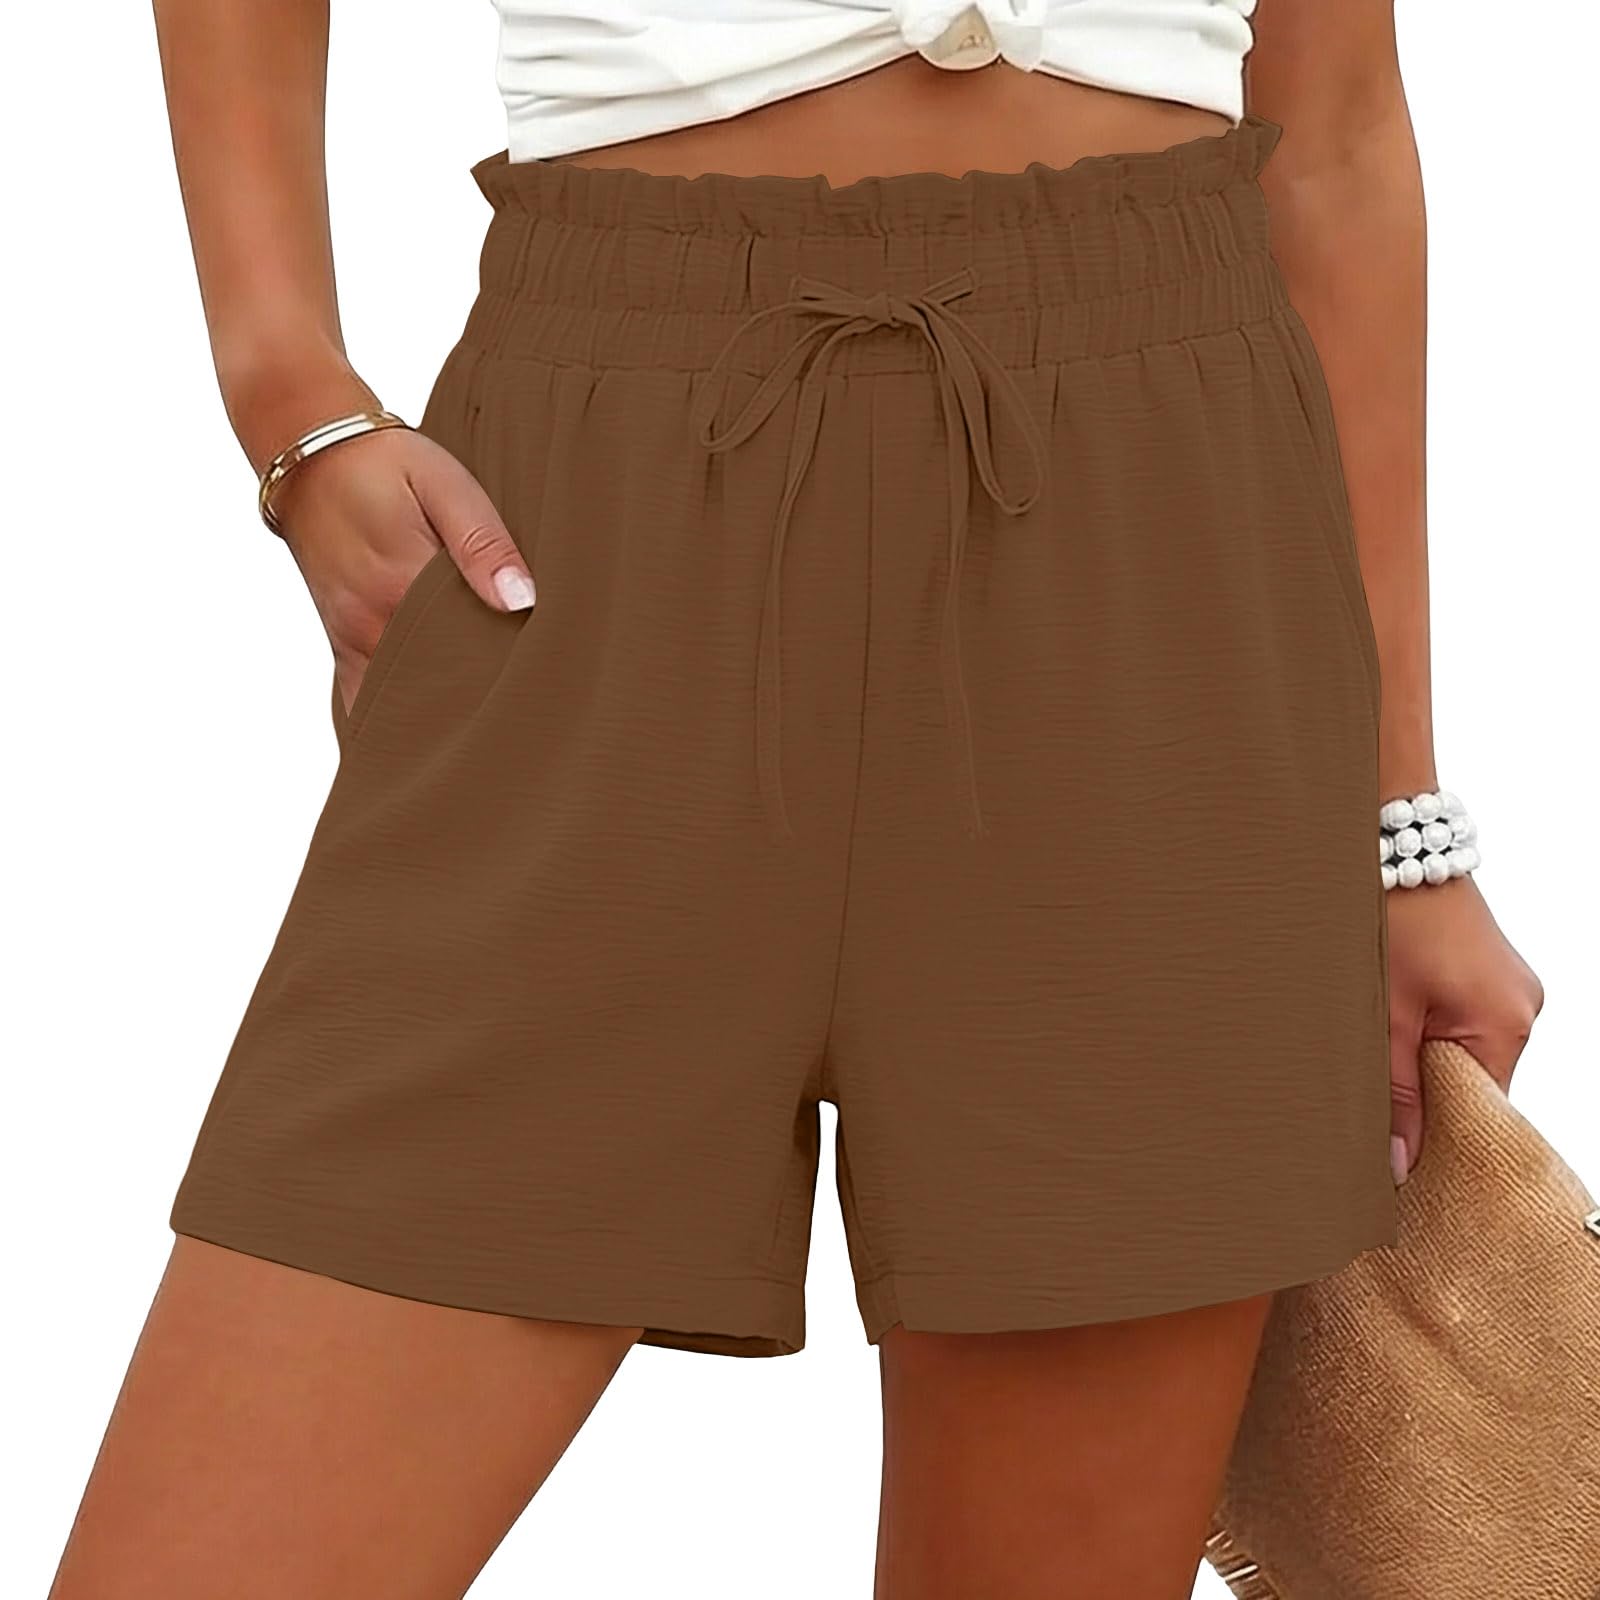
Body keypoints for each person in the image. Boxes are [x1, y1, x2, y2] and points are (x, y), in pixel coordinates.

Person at [49, 2, 1545, 1597]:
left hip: (1155, 540)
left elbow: (1337, 137)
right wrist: (288, 387)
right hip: (603, 517)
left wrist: (1401, 833)